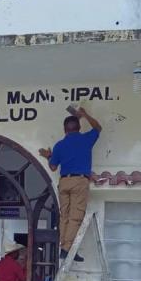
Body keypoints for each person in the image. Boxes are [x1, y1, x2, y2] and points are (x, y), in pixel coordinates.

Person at [39, 107, 102, 262]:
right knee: (76, 217)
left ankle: (66, 247)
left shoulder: (59, 145)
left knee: (65, 217)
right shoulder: (86, 139)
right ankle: (66, 249)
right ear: (79, 127)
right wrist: (85, 114)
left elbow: (53, 167)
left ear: (64, 129)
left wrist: (49, 156)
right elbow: (98, 128)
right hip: (79, 181)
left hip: (64, 182)